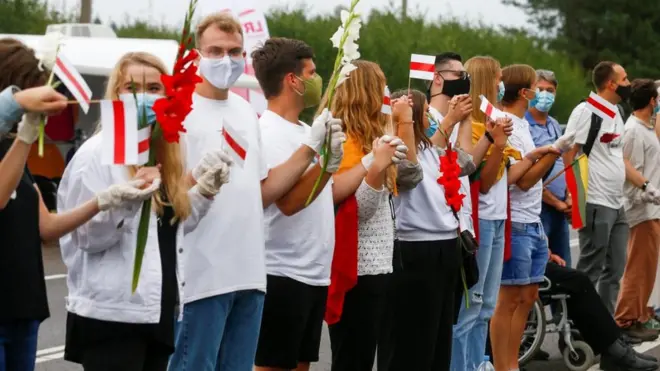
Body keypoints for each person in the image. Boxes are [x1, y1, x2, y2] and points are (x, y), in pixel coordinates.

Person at [169, 15, 336, 371]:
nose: (225, 59)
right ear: (196, 54)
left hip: (248, 275)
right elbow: (168, 197)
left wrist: (313, 150)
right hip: (201, 279)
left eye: (234, 52)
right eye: (215, 51)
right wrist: (197, 183)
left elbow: (263, 191)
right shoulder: (181, 111)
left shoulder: (246, 112)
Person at [58, 51, 229, 371]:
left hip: (157, 309)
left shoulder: (169, 150)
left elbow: (170, 227)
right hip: (113, 313)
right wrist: (126, 200)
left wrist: (205, 191)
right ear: (115, 94)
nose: (144, 98)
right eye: (132, 88)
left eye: (154, 88)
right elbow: (86, 238)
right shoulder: (96, 153)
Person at [0, 38, 105, 371]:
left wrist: (104, 201)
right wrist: (25, 136)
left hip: (23, 306)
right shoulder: (15, 146)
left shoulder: (16, 148)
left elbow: (44, 226)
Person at [249, 37, 345, 371]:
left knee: (301, 366)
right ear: (293, 79)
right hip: (280, 272)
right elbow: (287, 203)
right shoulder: (265, 131)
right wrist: (323, 162)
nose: (318, 81)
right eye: (313, 72)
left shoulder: (307, 129)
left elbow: (319, 194)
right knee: (273, 366)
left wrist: (339, 164)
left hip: (313, 272)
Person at [324, 62, 415, 371]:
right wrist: (375, 166)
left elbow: (411, 175)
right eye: (383, 86)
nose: (388, 93)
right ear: (367, 91)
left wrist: (401, 125)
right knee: (353, 357)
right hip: (358, 264)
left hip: (380, 261)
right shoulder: (343, 140)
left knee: (365, 353)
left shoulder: (372, 134)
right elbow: (360, 210)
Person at [378, 87, 474, 371]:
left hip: (444, 249)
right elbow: (409, 173)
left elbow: (466, 161)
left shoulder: (431, 149)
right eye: (425, 112)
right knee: (411, 342)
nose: (433, 118)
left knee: (437, 339)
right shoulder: (396, 150)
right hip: (414, 250)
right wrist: (404, 121)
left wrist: (460, 119)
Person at [489, 64, 570, 371]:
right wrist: (552, 153)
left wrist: (547, 154)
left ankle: (512, 364)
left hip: (533, 221)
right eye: (537, 88)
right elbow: (522, 180)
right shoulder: (506, 123)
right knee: (508, 299)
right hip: (516, 221)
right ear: (524, 93)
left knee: (528, 296)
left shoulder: (522, 124)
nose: (542, 94)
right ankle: (504, 365)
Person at [450, 55, 515, 371]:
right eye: (499, 78)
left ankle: (478, 363)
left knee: (487, 306)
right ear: (488, 82)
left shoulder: (495, 121)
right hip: (481, 219)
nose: (503, 84)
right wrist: (499, 145)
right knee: (471, 305)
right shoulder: (474, 128)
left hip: (499, 218)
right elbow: (485, 183)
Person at [486, 256, 660, 371]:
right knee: (578, 282)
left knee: (576, 279)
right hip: (514, 253)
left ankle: (613, 344)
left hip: (525, 246)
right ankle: (613, 348)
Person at [564, 61, 630, 315]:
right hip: (594, 201)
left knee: (614, 270)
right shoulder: (585, 111)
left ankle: (607, 329)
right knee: (591, 269)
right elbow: (569, 153)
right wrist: (574, 195)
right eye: (624, 79)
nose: (628, 83)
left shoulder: (617, 111)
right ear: (611, 84)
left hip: (617, 202)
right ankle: (577, 326)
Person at [615, 79, 660, 340]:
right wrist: (645, 193)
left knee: (648, 267)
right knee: (637, 267)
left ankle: (640, 315)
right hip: (641, 208)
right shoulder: (632, 130)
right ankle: (625, 320)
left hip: (652, 209)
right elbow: (628, 168)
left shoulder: (645, 128)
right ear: (652, 101)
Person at [526, 69, 572, 267]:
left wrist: (568, 196)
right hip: (540, 207)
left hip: (561, 207)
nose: (545, 94)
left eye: (550, 90)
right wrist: (555, 202)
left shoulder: (554, 124)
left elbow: (564, 163)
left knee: (564, 265)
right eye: (540, 89)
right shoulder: (524, 126)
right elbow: (529, 174)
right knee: (542, 266)